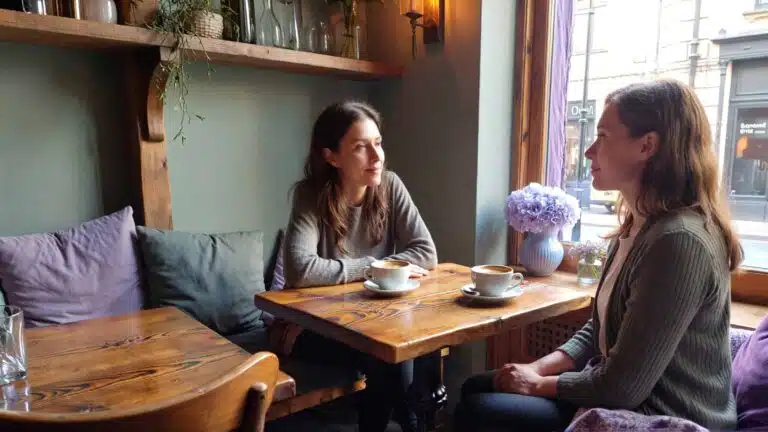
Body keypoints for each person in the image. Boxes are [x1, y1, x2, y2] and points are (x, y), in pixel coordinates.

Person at [454, 79, 743, 431]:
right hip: (625, 396)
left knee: (482, 407)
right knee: (475, 386)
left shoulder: (678, 241)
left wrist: (537, 385)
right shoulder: (638, 226)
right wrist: (537, 369)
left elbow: (623, 389)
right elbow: (599, 330)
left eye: (603, 136)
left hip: (664, 416)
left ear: (647, 146)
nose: (590, 151)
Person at [278, 100, 438, 432]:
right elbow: (300, 270)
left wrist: (380, 269)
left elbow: (425, 252)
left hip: (374, 321)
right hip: (310, 326)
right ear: (331, 156)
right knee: (389, 356)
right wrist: (375, 267)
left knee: (396, 349)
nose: (377, 156)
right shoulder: (311, 195)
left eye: (378, 143)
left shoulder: (390, 186)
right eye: (361, 147)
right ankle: (410, 423)